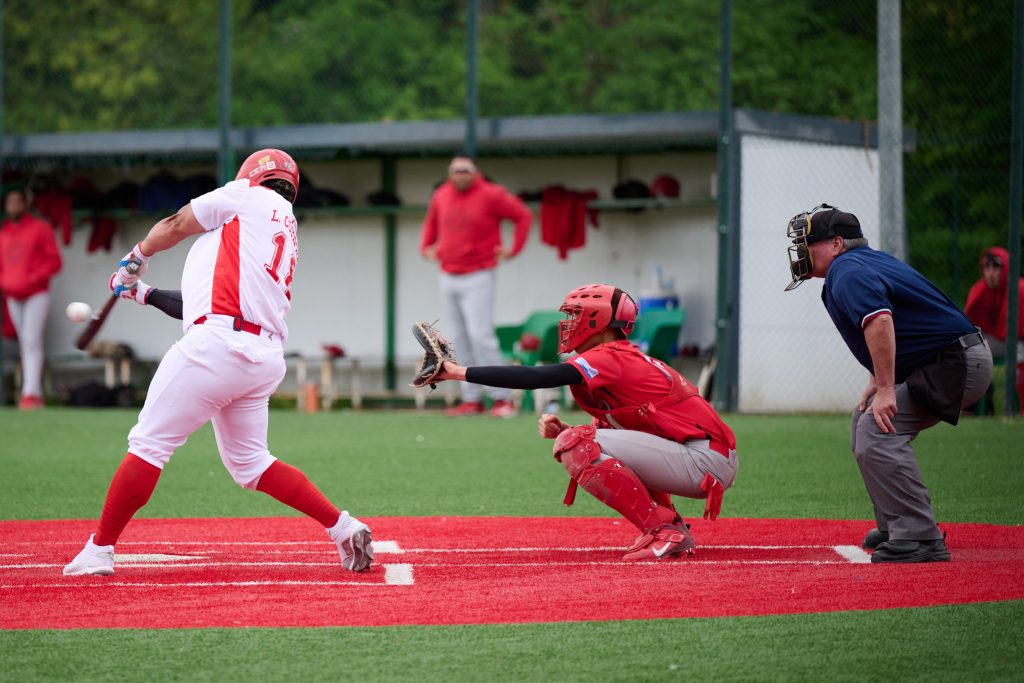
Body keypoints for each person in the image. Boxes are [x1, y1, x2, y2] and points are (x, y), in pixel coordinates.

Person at [63, 149, 373, 576]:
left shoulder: (244, 195)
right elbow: (203, 303)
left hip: (219, 346)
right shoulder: (278, 222)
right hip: (259, 356)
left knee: (149, 444)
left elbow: (176, 224)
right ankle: (343, 527)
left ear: (251, 175)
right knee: (252, 463)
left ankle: (100, 549)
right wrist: (143, 293)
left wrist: (134, 260)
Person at [429, 283, 739, 561]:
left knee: (578, 443)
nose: (569, 323)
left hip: (704, 459)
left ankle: (662, 531)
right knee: (580, 438)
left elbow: (534, 377)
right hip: (704, 456)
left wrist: (458, 372)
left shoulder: (611, 356)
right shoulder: (619, 357)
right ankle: (670, 528)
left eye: (576, 315)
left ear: (599, 321)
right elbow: (633, 436)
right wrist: (568, 430)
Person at [784, 203, 992, 563]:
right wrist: (878, 381)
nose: (803, 250)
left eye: (809, 242)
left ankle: (920, 536)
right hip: (951, 358)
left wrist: (886, 389)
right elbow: (899, 322)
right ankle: (896, 524)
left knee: (877, 430)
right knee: (864, 418)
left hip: (955, 363)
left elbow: (880, 321)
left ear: (836, 244)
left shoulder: (846, 269)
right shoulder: (861, 263)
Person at [419, 153, 533, 418]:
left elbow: (523, 216)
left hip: (479, 273)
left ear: (475, 171)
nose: (460, 175)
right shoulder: (441, 194)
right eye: (455, 170)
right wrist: (426, 247)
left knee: (481, 336)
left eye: (465, 170)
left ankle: (502, 397)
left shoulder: (491, 193)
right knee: (458, 339)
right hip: (448, 273)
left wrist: (514, 249)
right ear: (449, 173)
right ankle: (472, 399)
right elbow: (431, 224)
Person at [0, 187, 63, 410]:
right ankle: (30, 392)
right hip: (12, 295)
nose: (13, 206)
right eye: (10, 202)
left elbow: (55, 262)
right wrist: (6, 282)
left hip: (36, 293)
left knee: (31, 341)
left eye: (17, 201)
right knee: (25, 343)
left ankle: (31, 394)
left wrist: (33, 278)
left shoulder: (40, 228)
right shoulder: (4, 232)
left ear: (25, 203)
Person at [964, 247, 1024, 414]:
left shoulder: (1019, 288)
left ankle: (1019, 410)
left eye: (996, 267)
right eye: (987, 267)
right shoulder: (979, 291)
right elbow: (970, 327)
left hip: (1019, 340)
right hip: (999, 340)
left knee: (1021, 355)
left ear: (1006, 269)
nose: (990, 273)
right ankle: (975, 408)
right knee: (969, 352)